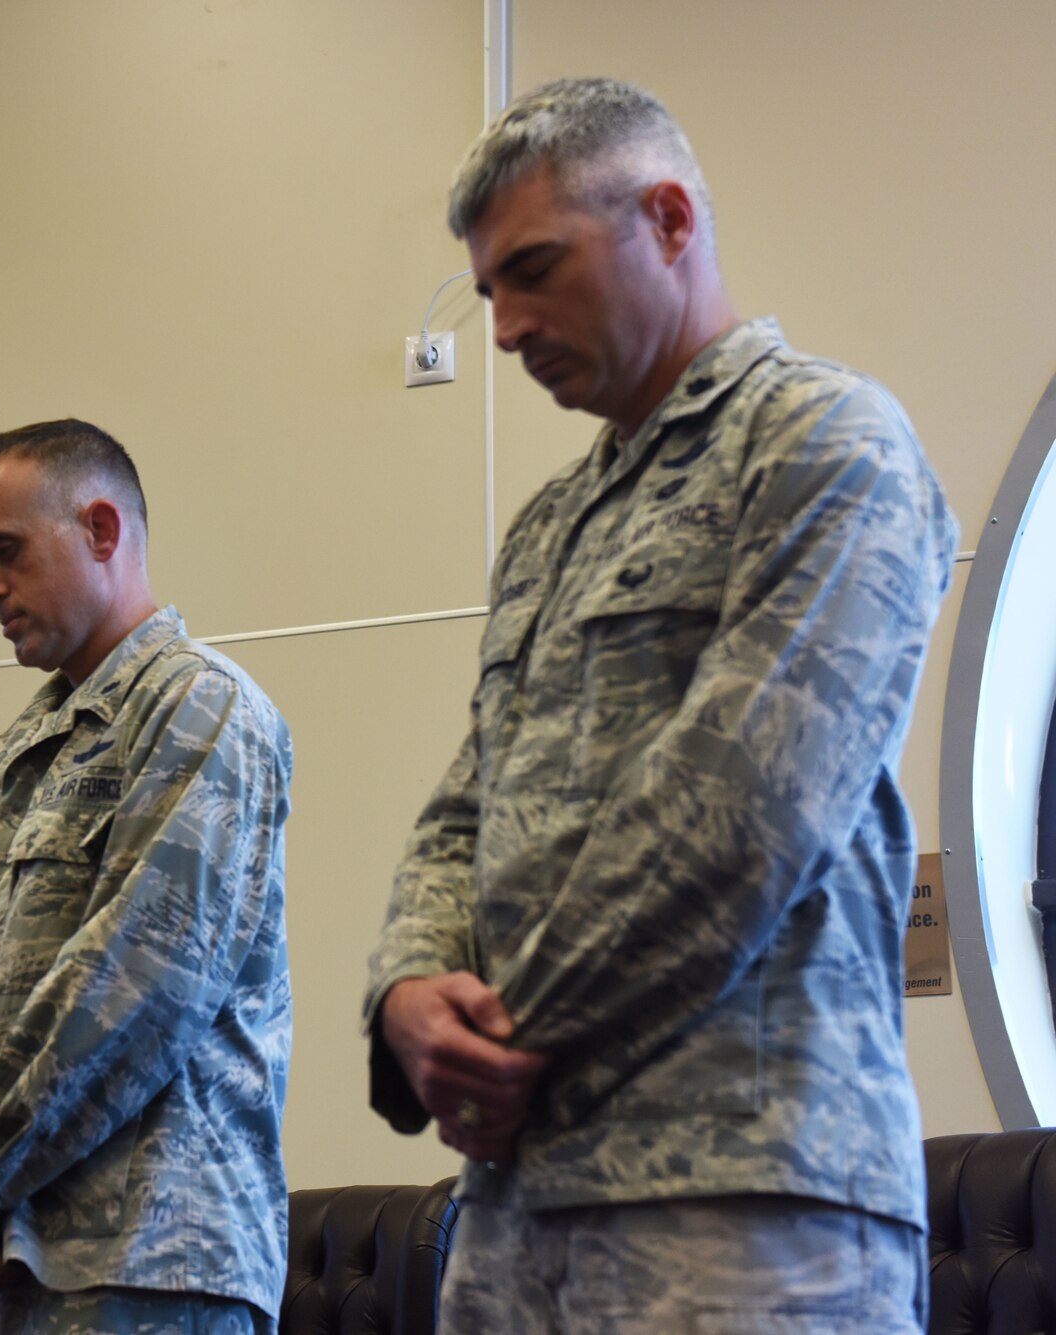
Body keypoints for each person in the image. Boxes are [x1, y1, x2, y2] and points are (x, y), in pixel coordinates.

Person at [365, 77, 959, 1333]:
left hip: (742, 1189)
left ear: (670, 218)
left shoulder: (823, 442)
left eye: (535, 269)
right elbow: (460, 811)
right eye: (487, 297)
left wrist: (503, 1042)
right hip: (518, 1200)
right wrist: (407, 995)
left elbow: (744, 810)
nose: (509, 326)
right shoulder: (542, 528)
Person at [0, 419, 294, 1335]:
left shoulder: (202, 705)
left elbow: (141, 982)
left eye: (4, 550)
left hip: (148, 1262)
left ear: (102, 530)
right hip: (0, 1257)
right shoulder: (31, 745)